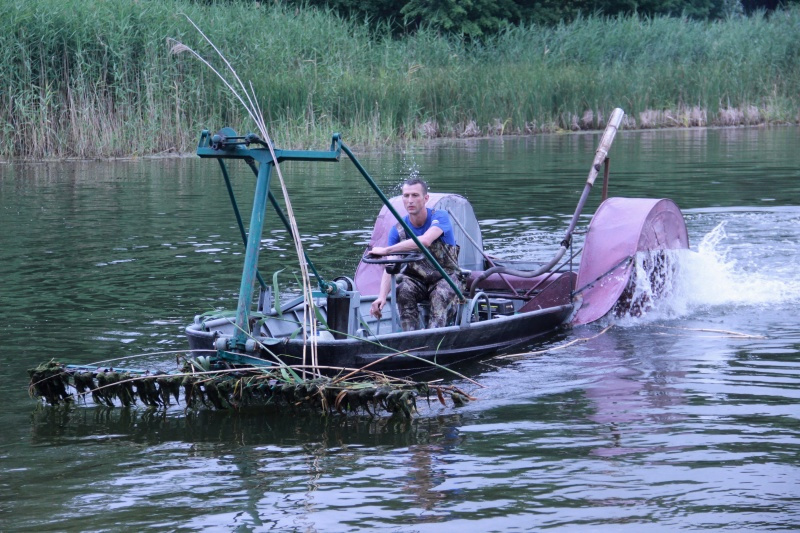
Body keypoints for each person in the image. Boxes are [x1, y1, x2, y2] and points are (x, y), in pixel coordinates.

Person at [369, 178, 461, 331]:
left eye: (415, 195)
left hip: (446, 278)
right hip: (417, 281)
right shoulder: (398, 230)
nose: (410, 200)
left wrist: (386, 250)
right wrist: (382, 296)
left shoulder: (440, 217)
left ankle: (434, 339)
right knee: (403, 289)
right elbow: (390, 266)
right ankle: (411, 338)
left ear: (425, 198)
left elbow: (425, 241)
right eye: (406, 196)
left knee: (440, 294)